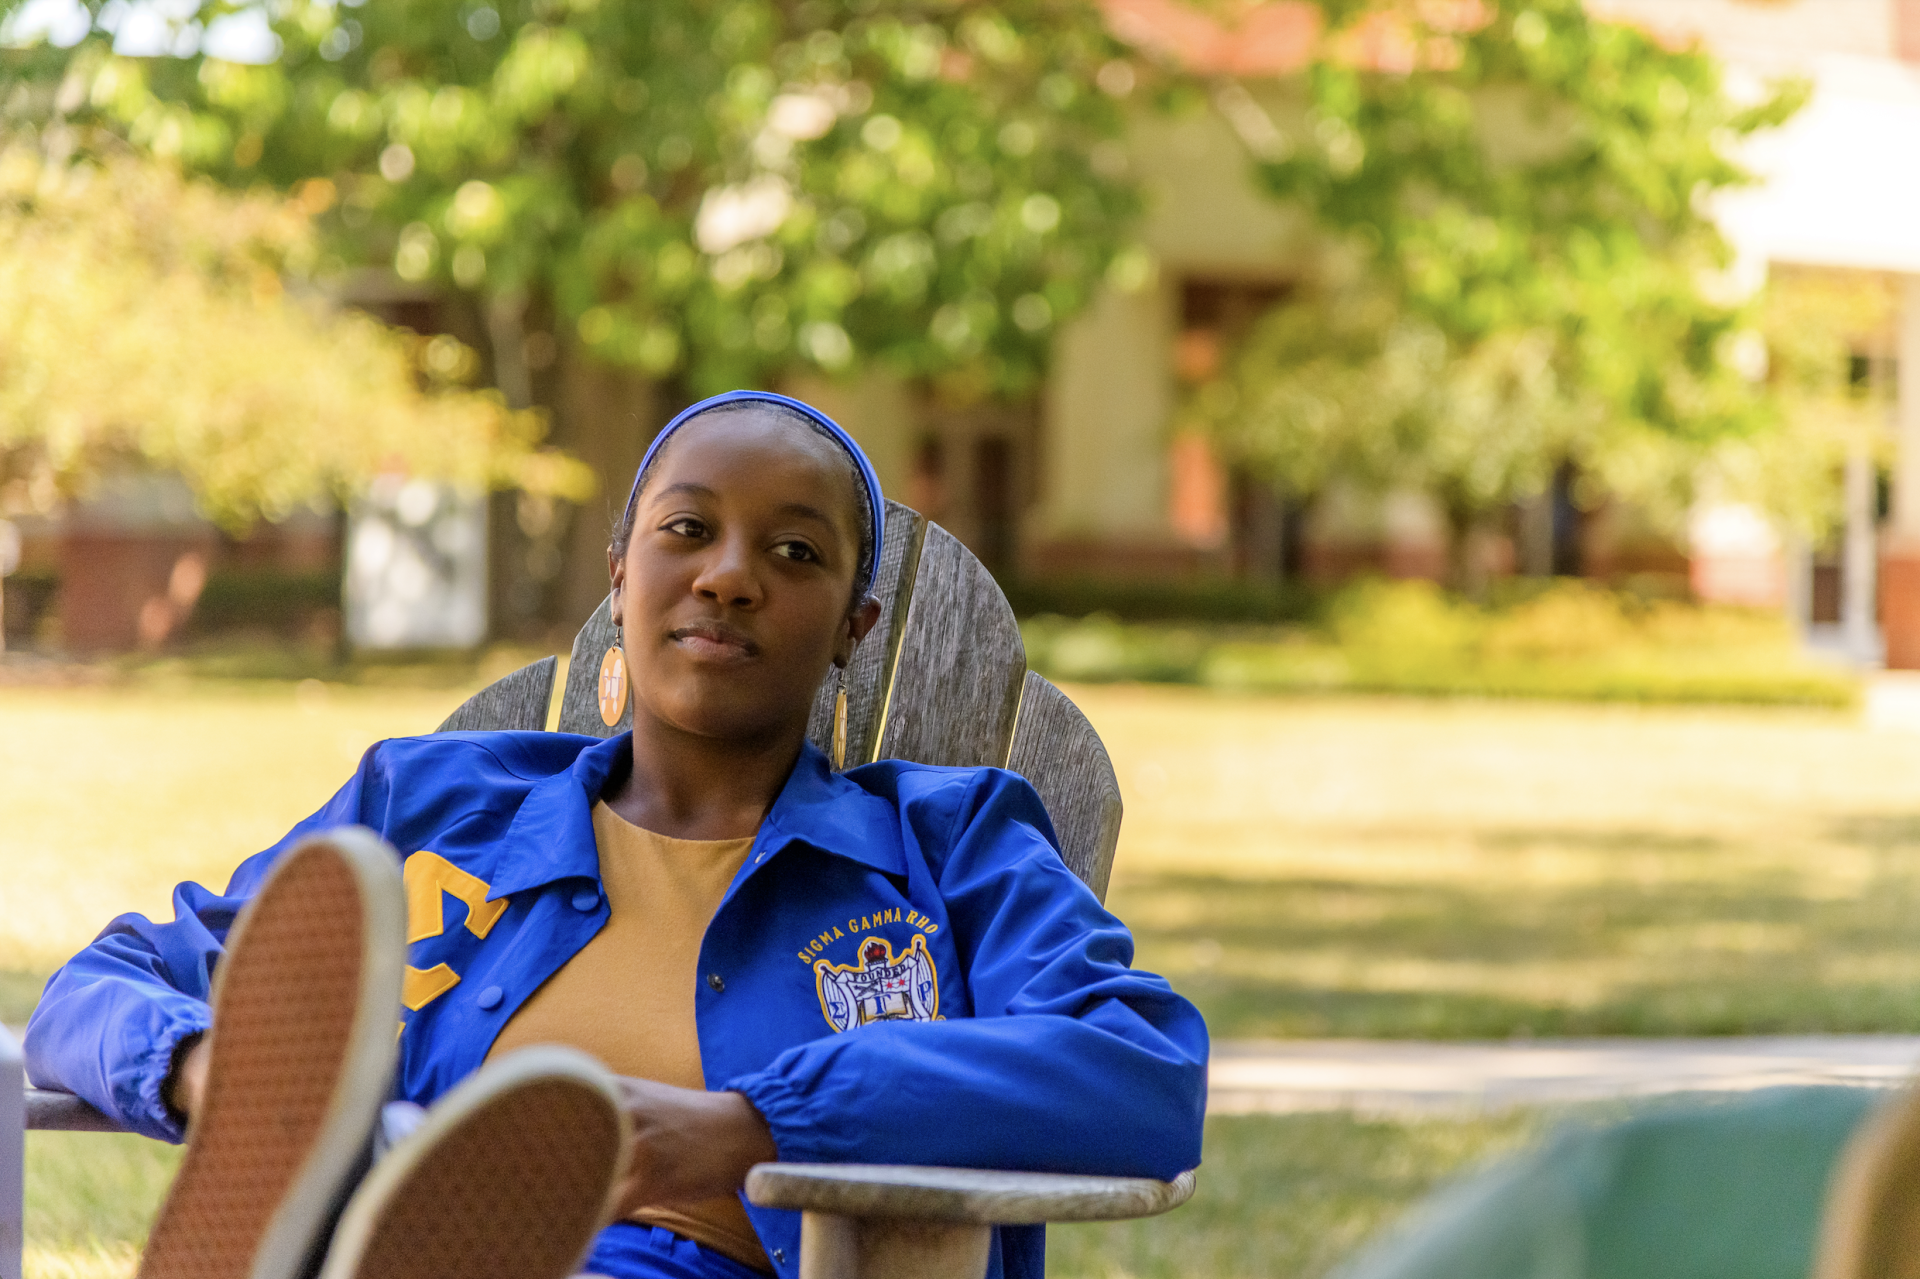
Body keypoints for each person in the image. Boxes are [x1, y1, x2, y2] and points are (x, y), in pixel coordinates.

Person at [25, 390, 1210, 1279]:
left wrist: (754, 1129)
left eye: (793, 552)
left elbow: (1144, 1073)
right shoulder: (429, 809)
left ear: (856, 624)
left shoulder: (949, 847)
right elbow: (97, 988)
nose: (730, 577)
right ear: (621, 578)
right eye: (687, 531)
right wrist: (208, 1071)